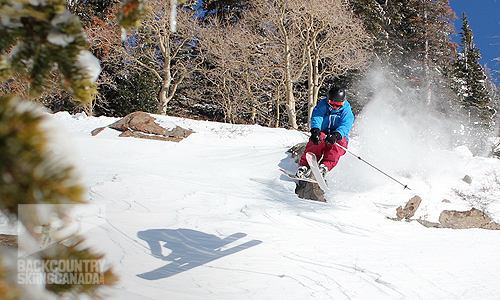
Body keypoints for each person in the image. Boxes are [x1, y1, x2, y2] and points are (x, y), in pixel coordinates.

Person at [296, 86, 354, 178]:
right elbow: (317, 116)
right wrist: (315, 130)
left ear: (343, 102)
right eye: (332, 103)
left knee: (337, 145)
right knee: (317, 140)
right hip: (324, 133)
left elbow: (346, 125)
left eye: (338, 104)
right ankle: (305, 166)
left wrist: (337, 134)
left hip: (338, 136)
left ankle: (325, 167)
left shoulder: (346, 110)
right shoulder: (323, 105)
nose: (335, 107)